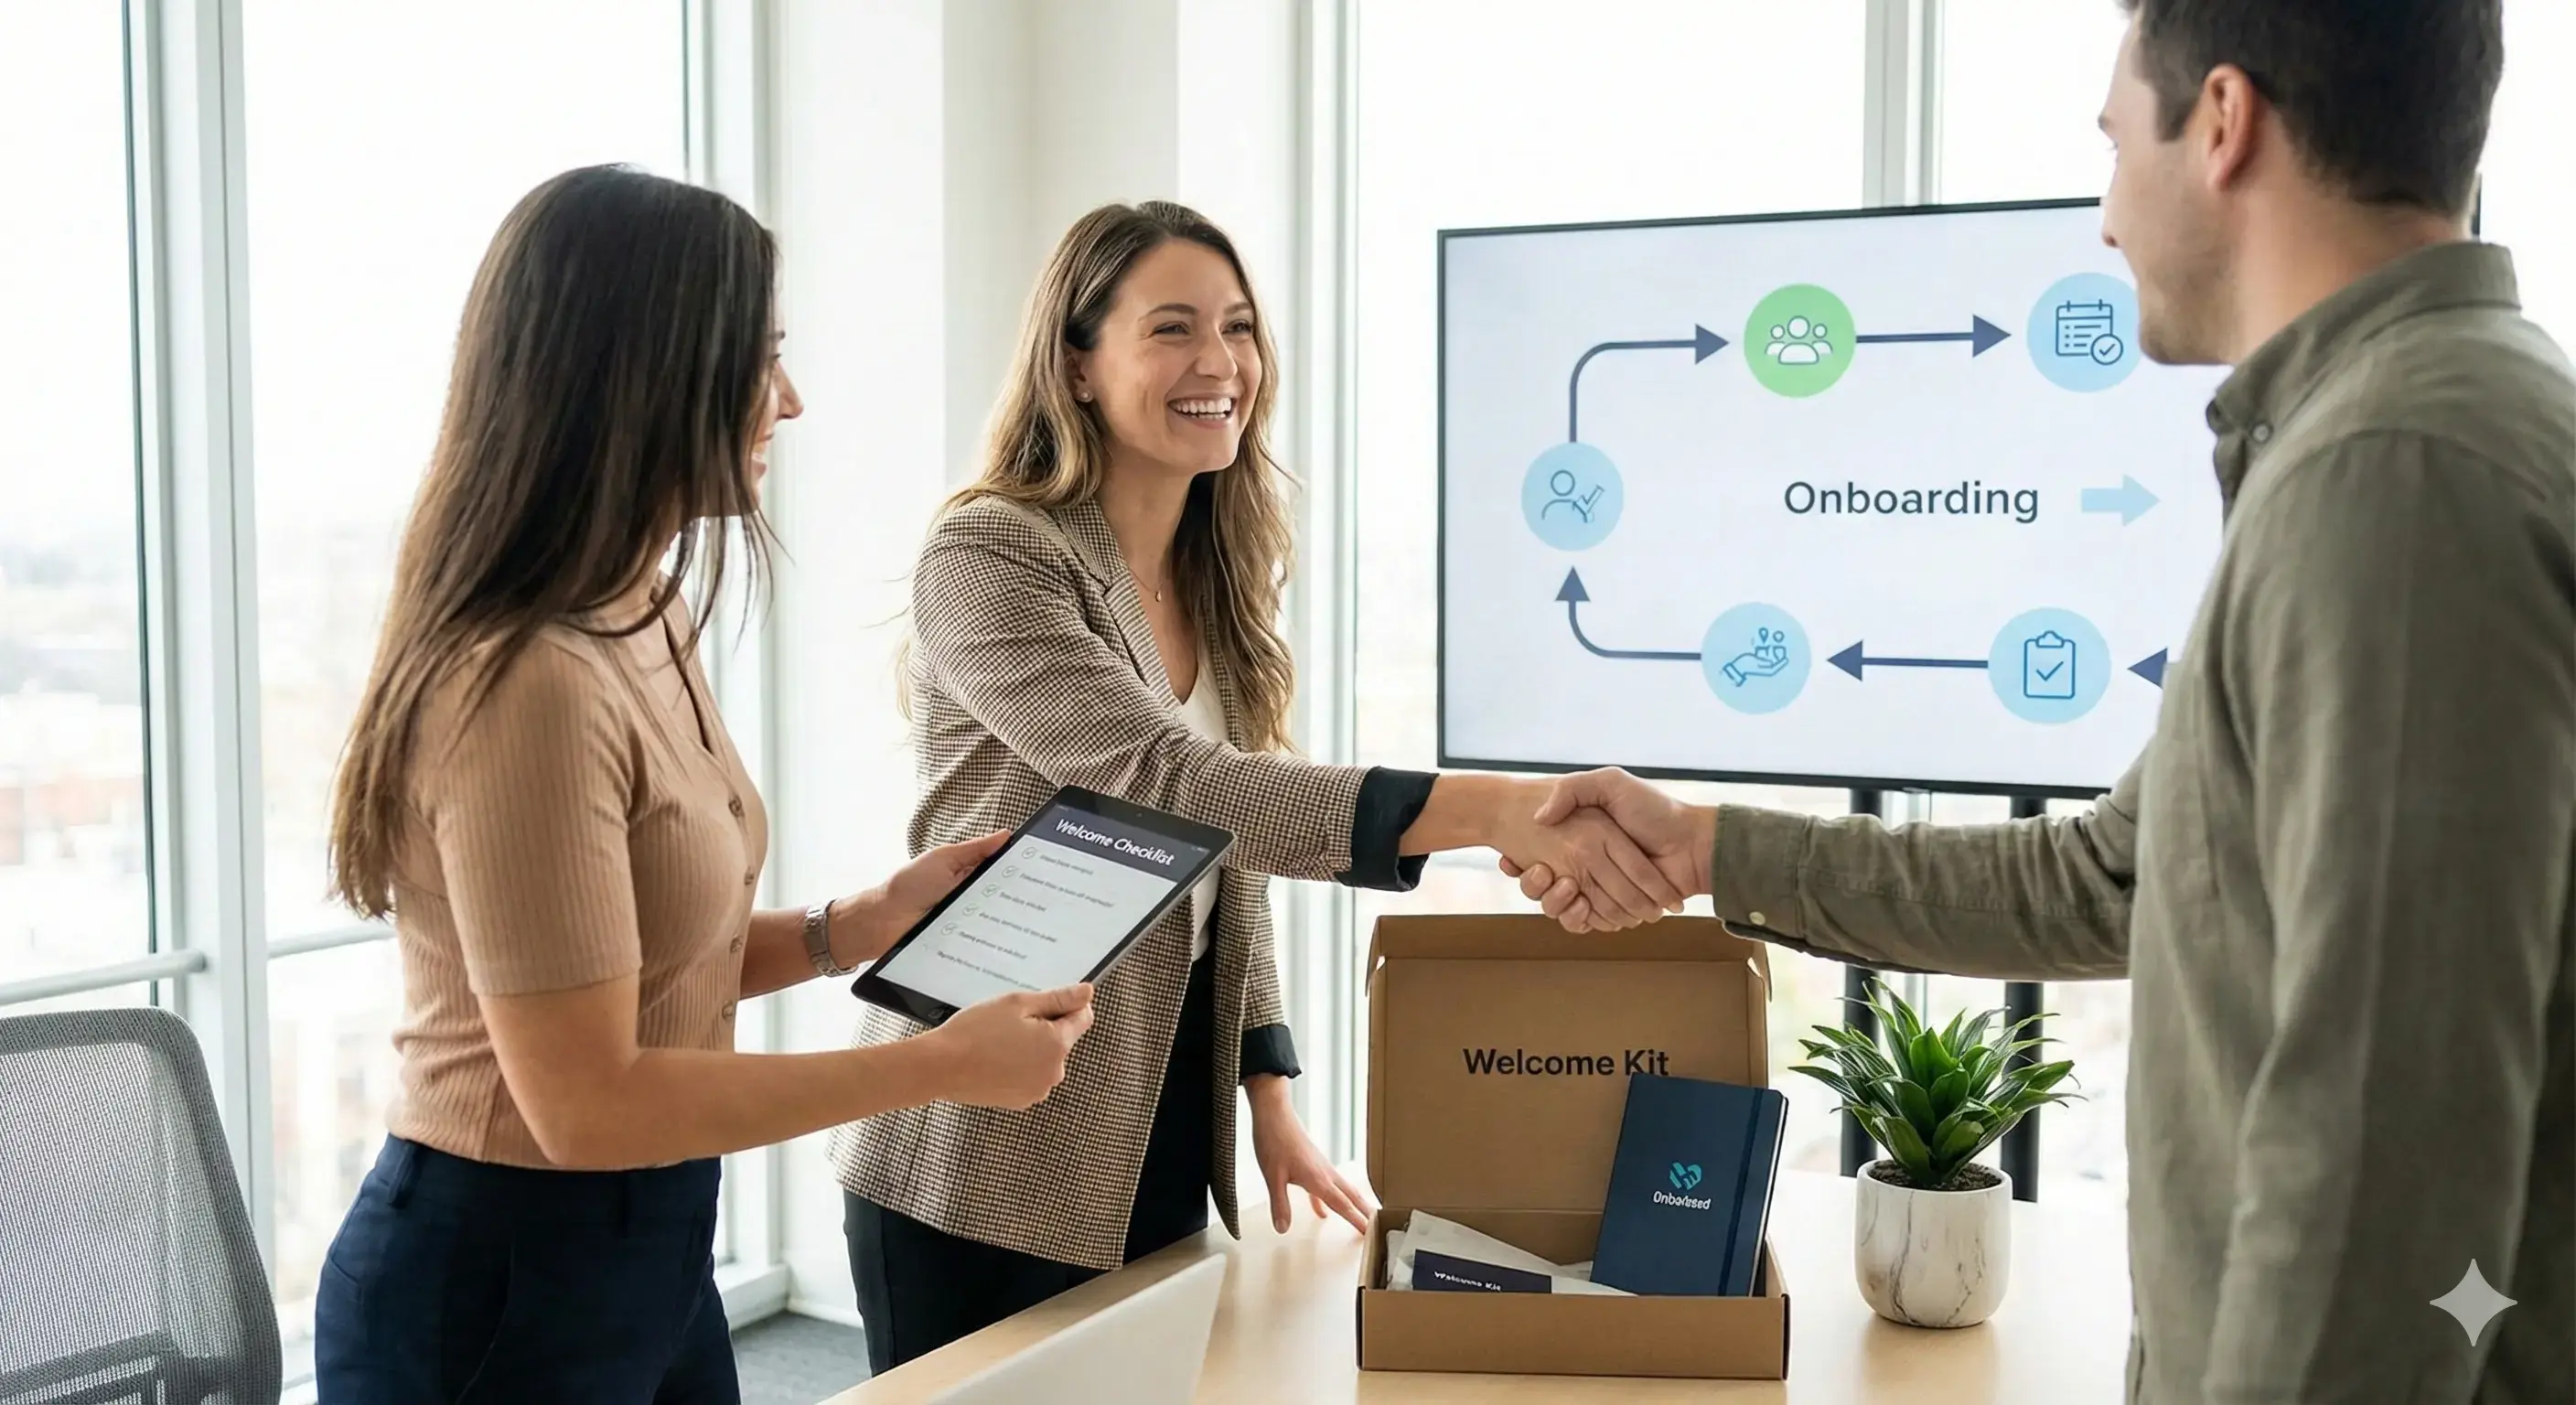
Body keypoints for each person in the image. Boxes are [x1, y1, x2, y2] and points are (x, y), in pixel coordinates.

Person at [1511, 3, 2572, 1401]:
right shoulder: (2399, 437)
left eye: (2114, 143)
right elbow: (2113, 879)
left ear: (2224, 124)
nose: (2104, 219)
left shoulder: (2394, 473)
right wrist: (1713, 850)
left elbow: (2383, 1144)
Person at [832, 200, 1685, 1371]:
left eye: (1236, 327)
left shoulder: (1212, 575)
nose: (1219, 363)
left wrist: (1266, 1086)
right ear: (1076, 365)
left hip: (1155, 1112)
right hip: (981, 1145)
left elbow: (1228, 841)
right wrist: (1488, 812)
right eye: (1171, 328)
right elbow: (1171, 784)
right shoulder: (990, 555)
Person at [313, 166, 1097, 1404]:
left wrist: (856, 928)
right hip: (504, 1277)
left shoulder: (643, 608)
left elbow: (625, 970)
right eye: (758, 359)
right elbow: (586, 1101)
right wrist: (936, 1064)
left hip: (651, 1241)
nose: (788, 399)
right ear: (643, 373)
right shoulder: (526, 682)